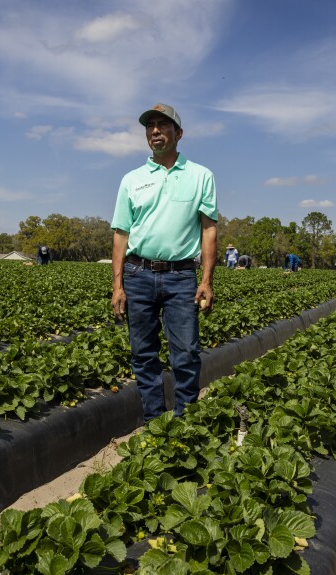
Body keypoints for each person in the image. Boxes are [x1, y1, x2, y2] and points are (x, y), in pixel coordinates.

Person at [111, 102, 217, 422]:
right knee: (143, 355)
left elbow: (208, 229)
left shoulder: (201, 176)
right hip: (137, 273)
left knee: (185, 353)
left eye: (163, 125)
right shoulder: (132, 179)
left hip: (181, 275)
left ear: (178, 133)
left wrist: (207, 281)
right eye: (150, 126)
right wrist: (117, 285)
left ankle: (186, 422)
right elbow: (120, 233)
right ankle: (155, 424)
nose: (155, 131)